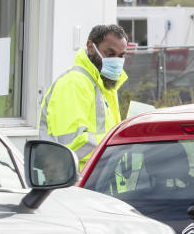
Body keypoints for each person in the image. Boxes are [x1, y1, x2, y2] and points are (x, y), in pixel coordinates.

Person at [39, 25, 129, 167]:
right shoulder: (73, 83)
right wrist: (118, 146)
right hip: (75, 184)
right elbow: (70, 143)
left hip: (92, 181)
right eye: (110, 54)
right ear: (91, 47)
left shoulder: (104, 87)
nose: (116, 61)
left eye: (121, 56)